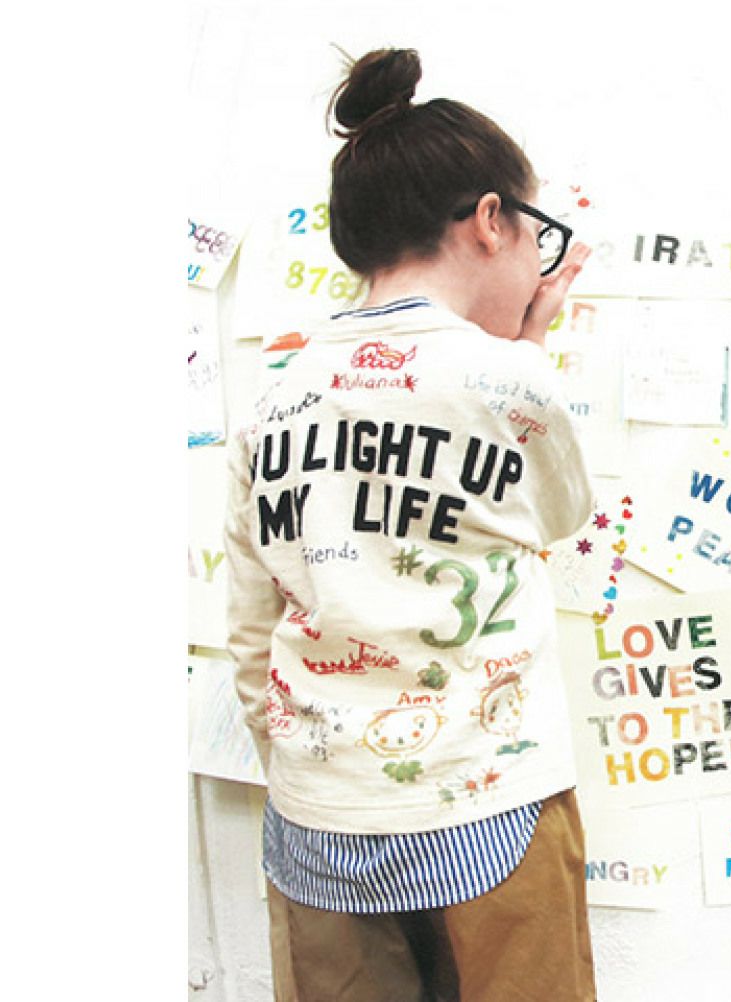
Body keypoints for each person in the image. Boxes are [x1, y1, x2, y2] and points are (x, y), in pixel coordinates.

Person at [224, 46, 597, 1002]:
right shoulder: (512, 381)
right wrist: (528, 349)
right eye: (538, 234)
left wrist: (304, 762)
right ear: (490, 221)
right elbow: (561, 515)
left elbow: (251, 630)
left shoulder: (271, 401)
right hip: (492, 797)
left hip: (319, 810)